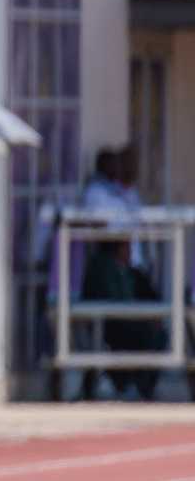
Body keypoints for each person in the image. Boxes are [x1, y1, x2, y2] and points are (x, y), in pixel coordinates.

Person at [76, 147, 163, 399]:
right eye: (115, 163)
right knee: (135, 327)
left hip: (134, 263)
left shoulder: (124, 193)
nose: (121, 168)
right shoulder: (97, 193)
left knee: (157, 318)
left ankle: (139, 384)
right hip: (116, 266)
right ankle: (125, 381)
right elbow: (100, 224)